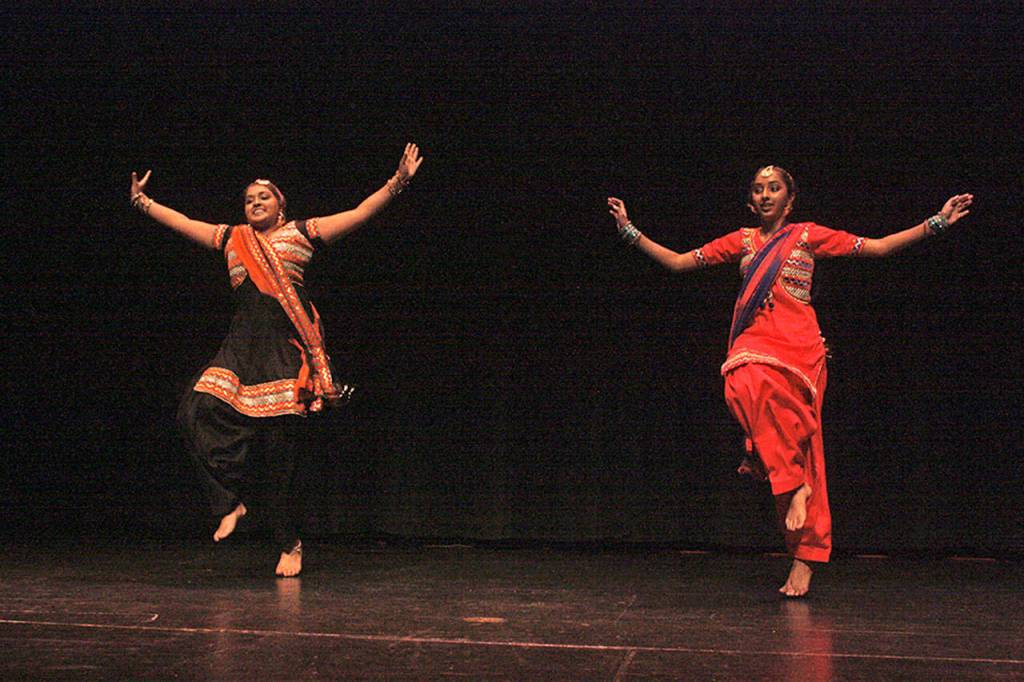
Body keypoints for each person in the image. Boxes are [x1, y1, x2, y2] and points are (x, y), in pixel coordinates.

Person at [607, 166, 972, 596]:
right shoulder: (741, 241)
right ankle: (793, 484)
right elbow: (678, 261)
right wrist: (629, 230)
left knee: (805, 450)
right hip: (756, 340)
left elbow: (877, 248)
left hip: (799, 348)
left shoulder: (807, 235)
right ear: (750, 201)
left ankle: (804, 559)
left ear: (789, 199)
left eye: (773, 188)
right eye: (758, 189)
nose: (765, 195)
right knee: (739, 381)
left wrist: (937, 223)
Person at [130, 143, 424, 577]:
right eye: (248, 199)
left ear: (280, 206)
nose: (254, 203)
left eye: (262, 197)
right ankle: (230, 503)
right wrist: (143, 202)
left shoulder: (302, 233)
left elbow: (359, 214)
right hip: (240, 349)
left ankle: (290, 544)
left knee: (279, 459)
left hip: (284, 354)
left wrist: (397, 182)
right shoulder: (232, 238)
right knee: (193, 411)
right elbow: (186, 223)